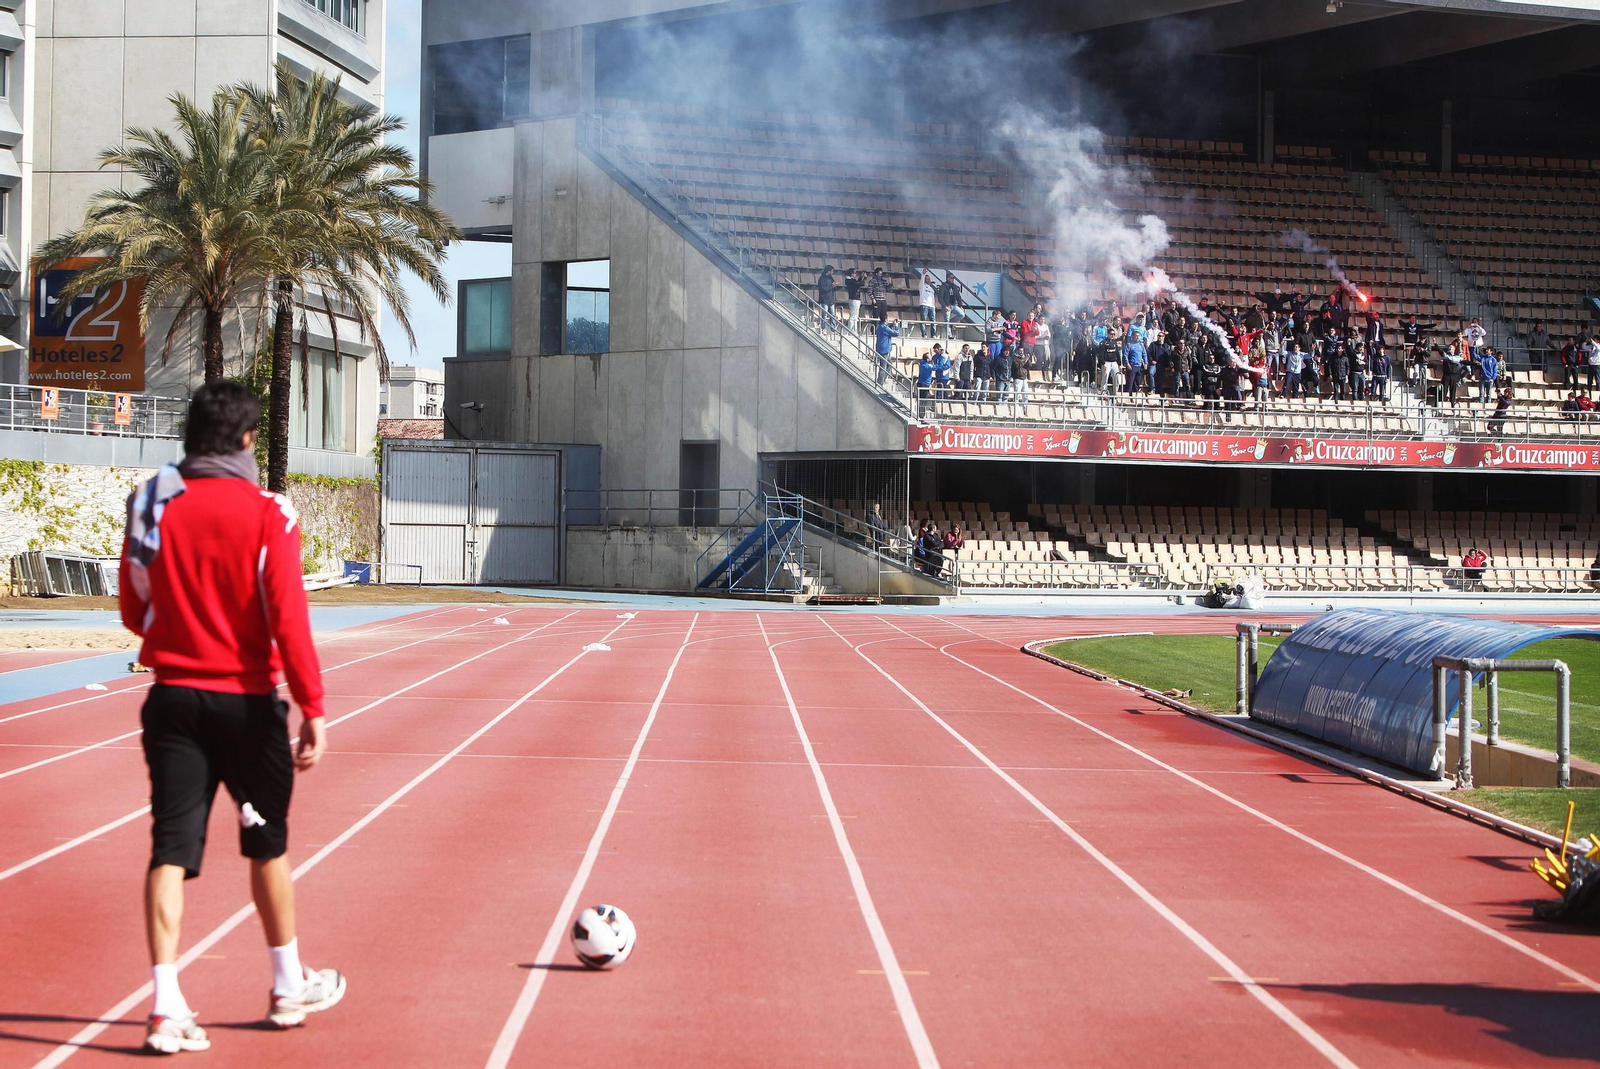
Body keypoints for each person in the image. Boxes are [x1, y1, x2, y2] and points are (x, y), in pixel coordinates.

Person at [119, 381, 344, 1055]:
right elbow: (289, 619)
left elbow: (134, 607)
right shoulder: (270, 513)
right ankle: (285, 984)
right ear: (249, 440)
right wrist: (315, 707)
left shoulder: (150, 501)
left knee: (170, 849)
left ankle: (164, 1005)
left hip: (174, 700)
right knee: (266, 841)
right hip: (247, 704)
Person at [874, 315, 900, 386]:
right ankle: (880, 382)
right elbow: (896, 333)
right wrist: (896, 326)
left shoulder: (880, 327)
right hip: (884, 350)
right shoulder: (884, 328)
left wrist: (892, 324)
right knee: (883, 367)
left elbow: (888, 328)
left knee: (889, 364)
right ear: (885, 319)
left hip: (882, 348)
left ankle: (882, 380)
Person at [938, 273, 962, 340]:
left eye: (953, 278)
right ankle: (949, 335)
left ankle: (948, 323)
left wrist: (961, 305)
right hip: (947, 305)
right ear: (947, 278)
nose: (953, 279)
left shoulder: (954, 286)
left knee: (961, 314)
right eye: (951, 278)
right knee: (947, 320)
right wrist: (945, 306)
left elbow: (958, 297)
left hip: (953, 305)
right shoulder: (943, 286)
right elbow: (940, 298)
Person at [843, 268, 865, 335]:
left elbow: (857, 283)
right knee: (853, 316)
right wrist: (863, 278)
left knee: (855, 316)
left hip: (854, 298)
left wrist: (861, 277)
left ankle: (853, 330)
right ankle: (851, 330)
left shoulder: (851, 280)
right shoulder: (850, 280)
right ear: (851, 274)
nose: (855, 275)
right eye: (854, 273)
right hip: (854, 299)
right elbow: (860, 284)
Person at [816, 265, 837, 331]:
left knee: (832, 315)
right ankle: (823, 327)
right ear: (828, 271)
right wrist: (832, 286)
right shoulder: (822, 279)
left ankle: (833, 328)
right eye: (832, 271)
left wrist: (835, 286)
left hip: (831, 298)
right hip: (824, 299)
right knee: (824, 315)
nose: (833, 272)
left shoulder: (831, 278)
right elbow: (822, 289)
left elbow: (833, 286)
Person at [917, 270, 937, 338]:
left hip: (931, 306)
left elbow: (933, 298)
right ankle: (924, 334)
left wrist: (934, 306)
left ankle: (933, 335)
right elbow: (922, 280)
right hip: (924, 304)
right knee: (923, 320)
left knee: (933, 321)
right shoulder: (922, 286)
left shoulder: (932, 289)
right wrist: (923, 274)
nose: (928, 280)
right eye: (927, 279)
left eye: (929, 279)